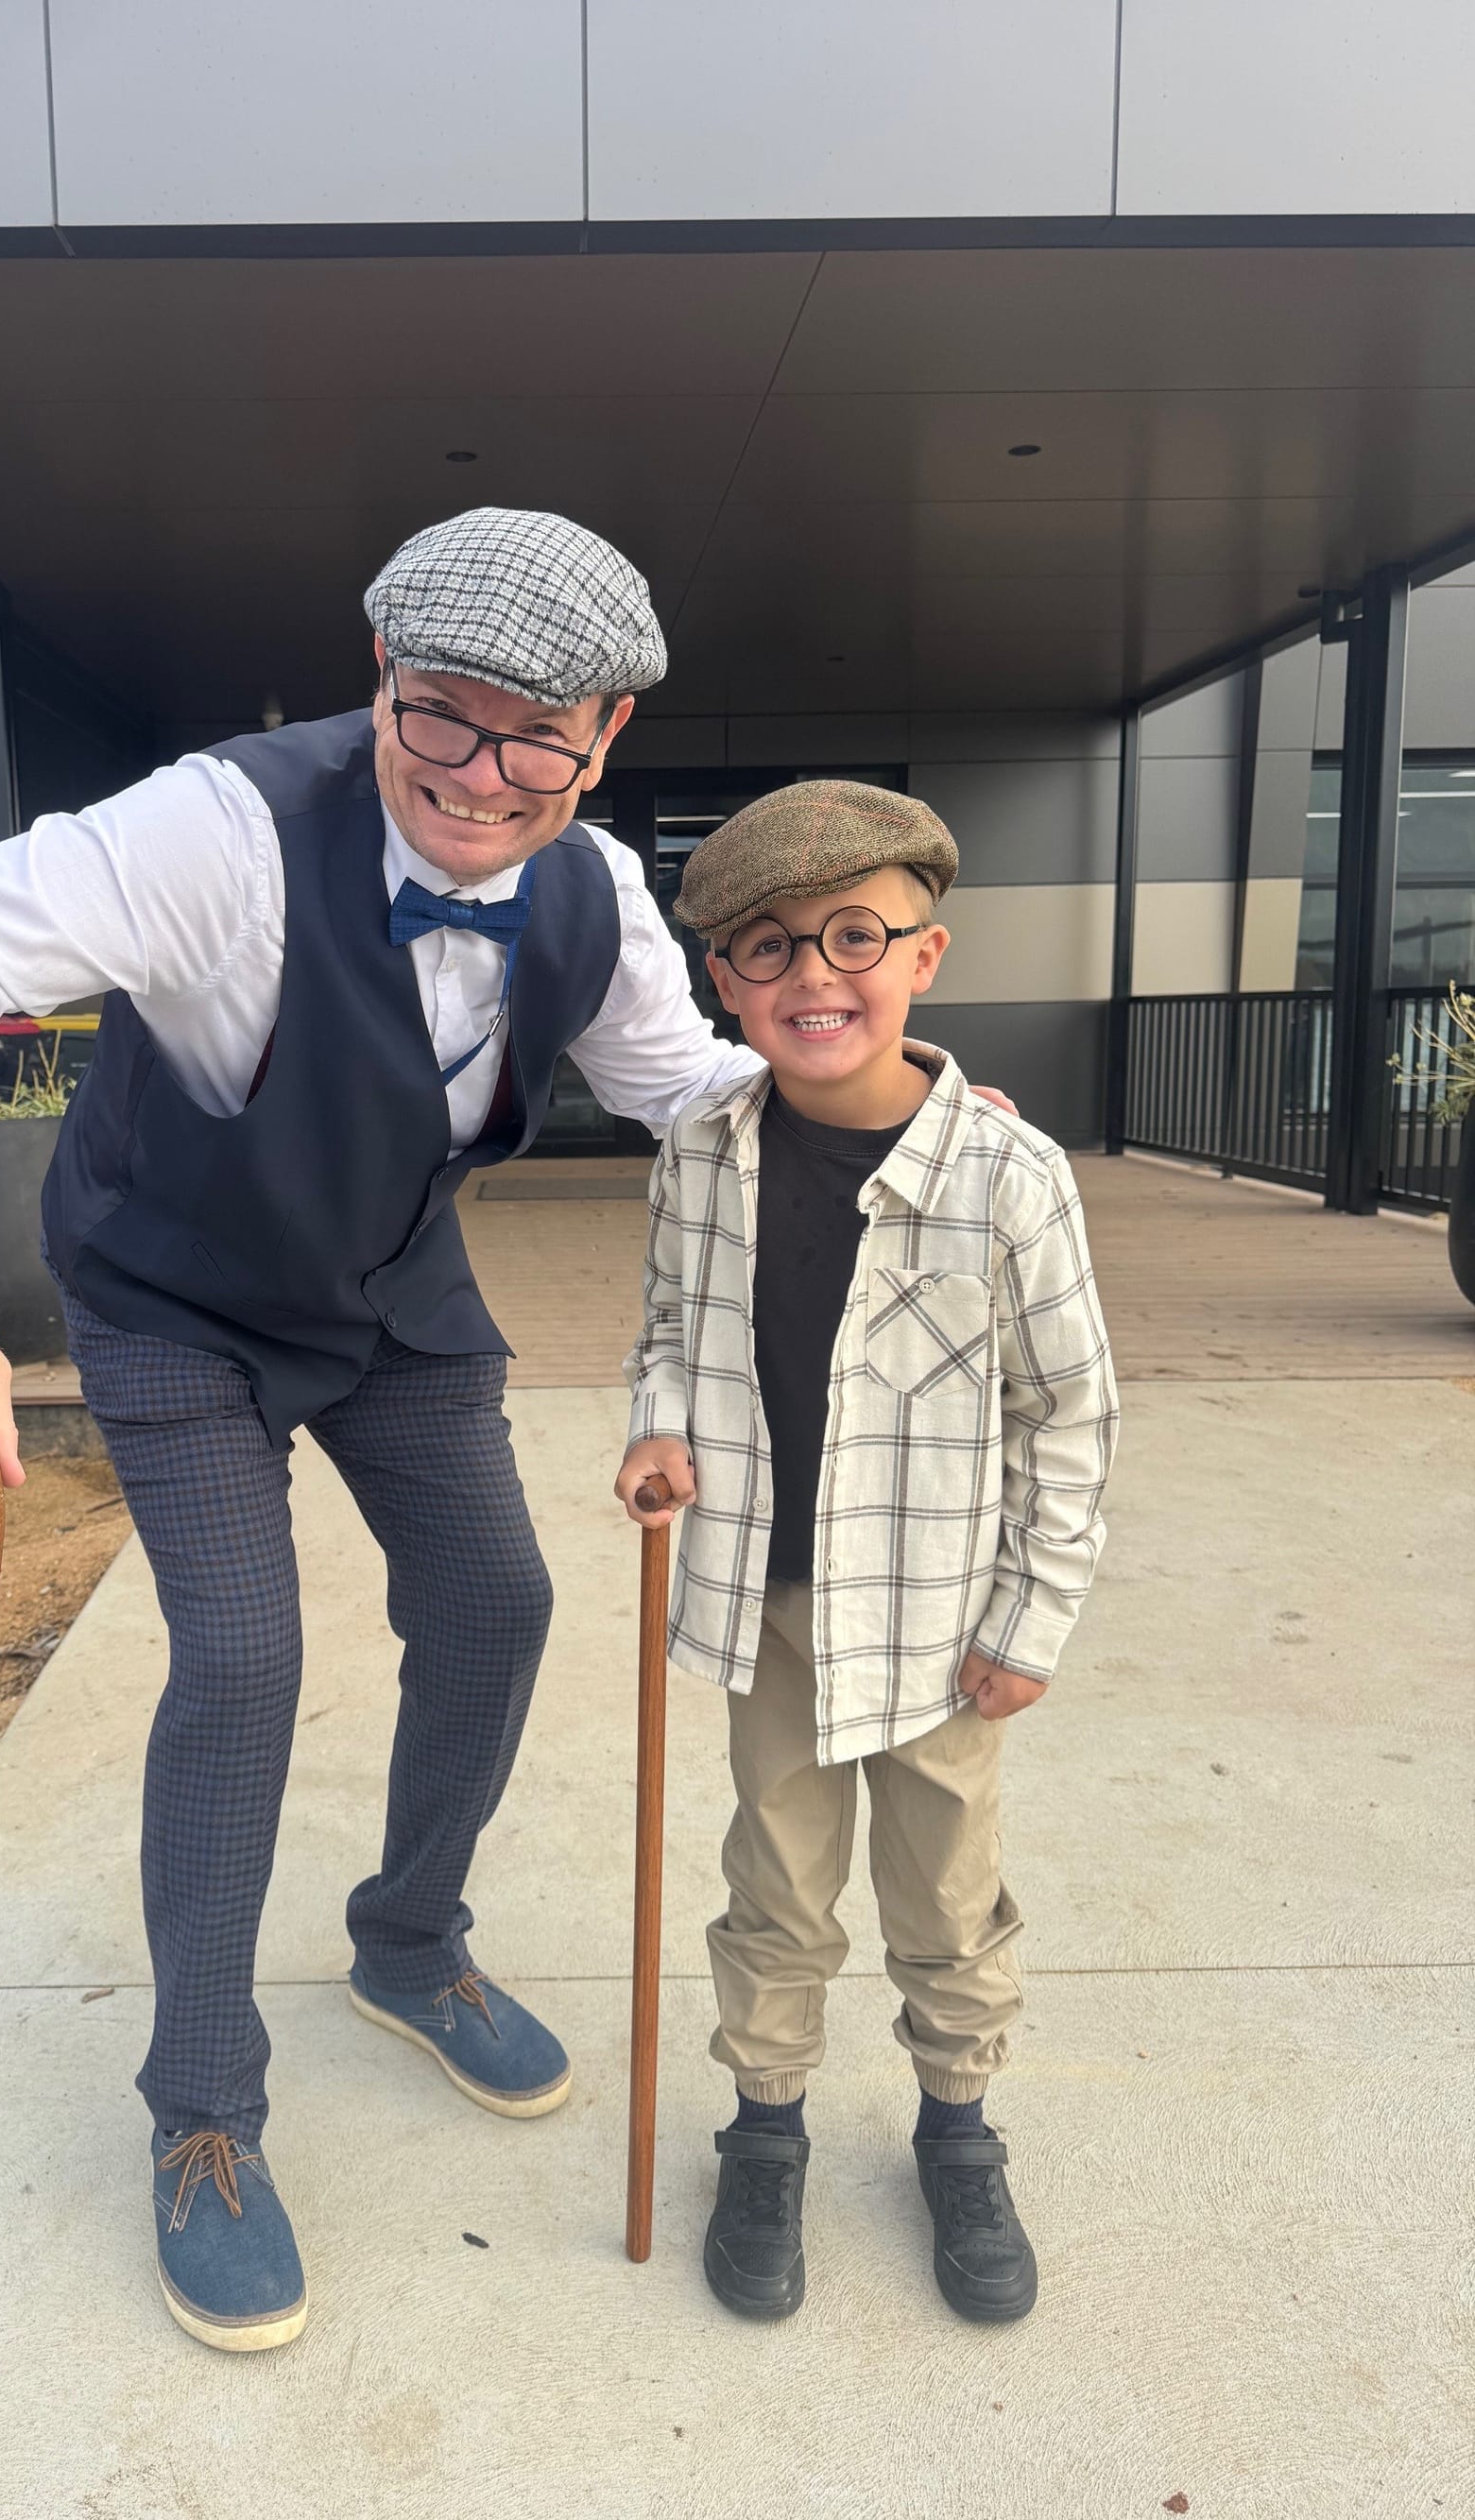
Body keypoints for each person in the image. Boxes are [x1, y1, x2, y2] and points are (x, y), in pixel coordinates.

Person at [0, 508, 1014, 2355]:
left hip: (389, 1287)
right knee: (244, 1655)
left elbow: (688, 1088)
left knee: (500, 1601)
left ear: (602, 737)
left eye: (541, 734)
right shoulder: (221, 833)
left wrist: (877, 1092)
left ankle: (405, 1933)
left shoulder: (594, 894)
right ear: (381, 680)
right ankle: (201, 2105)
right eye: (444, 712)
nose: (481, 771)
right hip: (172, 1290)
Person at [615, 780, 1118, 2327]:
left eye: (855, 936)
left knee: (945, 1890)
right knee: (774, 1876)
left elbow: (1071, 1412)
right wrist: (654, 1428)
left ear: (927, 954)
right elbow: (671, 1327)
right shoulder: (700, 1152)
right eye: (768, 949)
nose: (813, 976)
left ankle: (957, 2128)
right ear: (724, 984)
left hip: (940, 1618)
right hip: (765, 1595)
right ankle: (766, 2127)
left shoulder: (1007, 1176)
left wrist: (1031, 1617)